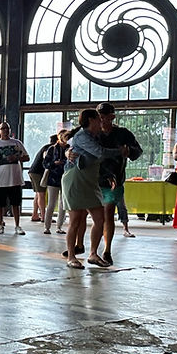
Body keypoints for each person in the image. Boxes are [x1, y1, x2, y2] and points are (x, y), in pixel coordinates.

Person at [62, 109, 127, 268]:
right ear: (91, 120)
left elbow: (94, 160)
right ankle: (71, 256)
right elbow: (99, 153)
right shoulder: (82, 136)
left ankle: (93, 254)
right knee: (75, 219)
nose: (102, 122)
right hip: (76, 179)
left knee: (100, 218)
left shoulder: (95, 137)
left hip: (90, 181)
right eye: (99, 119)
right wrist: (120, 151)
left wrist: (107, 174)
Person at [94, 103, 142, 265]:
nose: (101, 121)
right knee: (86, 215)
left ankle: (107, 250)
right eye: (99, 117)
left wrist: (129, 151)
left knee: (108, 212)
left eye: (104, 117)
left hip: (114, 179)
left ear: (112, 117)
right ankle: (81, 246)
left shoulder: (123, 134)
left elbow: (137, 151)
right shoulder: (91, 133)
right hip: (92, 179)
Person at [0, 122, 29, 235]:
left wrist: (17, 157)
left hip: (15, 179)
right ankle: (0, 224)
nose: (5, 130)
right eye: (2, 128)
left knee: (16, 203)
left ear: (10, 130)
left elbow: (27, 157)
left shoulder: (17, 143)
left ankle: (17, 225)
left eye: (7, 128)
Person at [42, 129, 69, 235]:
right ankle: (47, 227)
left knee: (63, 204)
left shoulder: (69, 149)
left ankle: (59, 226)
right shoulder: (52, 149)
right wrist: (54, 163)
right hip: (53, 178)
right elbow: (45, 163)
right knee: (51, 204)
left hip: (66, 178)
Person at [27, 136, 54, 223]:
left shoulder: (47, 147)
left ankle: (35, 214)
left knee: (38, 194)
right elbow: (45, 158)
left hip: (34, 171)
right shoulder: (49, 148)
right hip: (38, 173)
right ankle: (44, 216)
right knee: (41, 194)